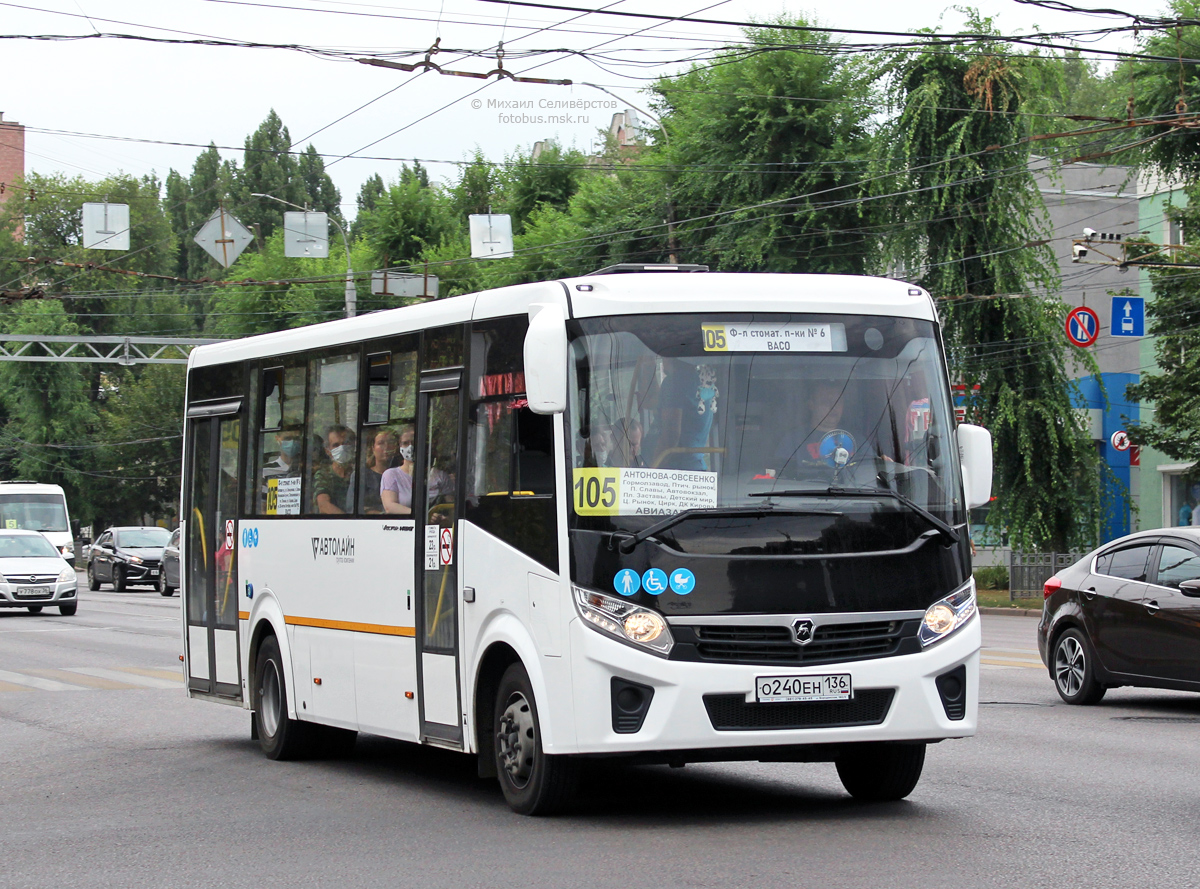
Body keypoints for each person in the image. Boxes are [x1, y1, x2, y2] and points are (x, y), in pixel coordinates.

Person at [772, 380, 872, 476]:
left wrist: (883, 463)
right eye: (825, 401)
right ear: (811, 405)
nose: (833, 406)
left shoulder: (856, 440)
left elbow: (870, 472)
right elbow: (782, 476)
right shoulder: (792, 440)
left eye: (837, 401)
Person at [653, 360, 718, 470]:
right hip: (696, 467)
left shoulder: (675, 382)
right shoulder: (703, 382)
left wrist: (650, 470)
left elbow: (671, 434)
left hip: (677, 470)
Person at [313, 425, 356, 514]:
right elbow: (324, 505)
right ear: (328, 451)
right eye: (336, 445)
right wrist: (349, 522)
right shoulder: (324, 474)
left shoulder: (360, 472)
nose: (342, 448)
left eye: (346, 443)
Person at [360, 427, 399, 514]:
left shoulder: (402, 473)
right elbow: (356, 507)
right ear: (373, 448)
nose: (386, 447)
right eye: (381, 443)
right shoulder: (362, 475)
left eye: (391, 442)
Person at [381, 426, 418, 515]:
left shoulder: (438, 475)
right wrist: (421, 515)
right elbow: (390, 507)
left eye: (414, 442)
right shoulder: (391, 474)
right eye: (405, 443)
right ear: (399, 446)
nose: (410, 447)